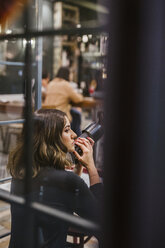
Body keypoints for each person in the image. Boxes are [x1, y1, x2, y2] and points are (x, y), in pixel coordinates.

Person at [7, 109, 103, 248]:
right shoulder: (68, 181)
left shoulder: (21, 173)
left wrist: (78, 167)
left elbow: (63, 199)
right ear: (51, 137)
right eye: (67, 130)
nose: (74, 135)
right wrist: (91, 167)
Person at [43, 67, 83, 136]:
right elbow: (78, 99)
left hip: (47, 116)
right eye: (71, 73)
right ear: (67, 74)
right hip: (60, 117)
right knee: (77, 114)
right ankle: (78, 139)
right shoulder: (66, 85)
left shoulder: (50, 83)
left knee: (74, 112)